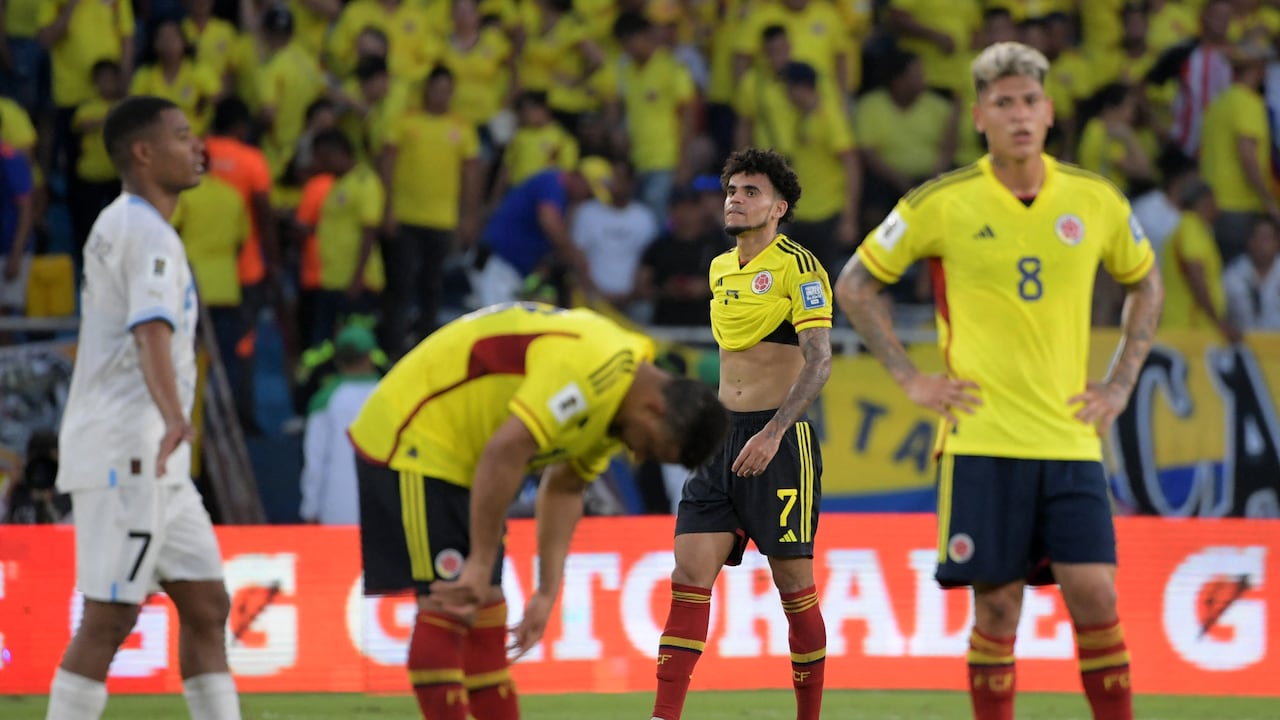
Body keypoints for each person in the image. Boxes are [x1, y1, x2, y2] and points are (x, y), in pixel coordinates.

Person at [835, 42, 1164, 720]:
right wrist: (909, 378)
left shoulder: (1095, 200)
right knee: (998, 605)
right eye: (1004, 103)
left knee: (1096, 595)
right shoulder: (942, 202)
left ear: (1049, 113)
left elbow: (1147, 281)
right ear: (981, 116)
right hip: (981, 439)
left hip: (1070, 440)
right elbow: (856, 285)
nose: (1019, 115)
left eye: (1030, 102)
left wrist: (1120, 385)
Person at [346, 301, 729, 720]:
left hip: (462, 456)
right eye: (651, 446)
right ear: (655, 407)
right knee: (452, 603)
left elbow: (565, 487)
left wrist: (547, 592)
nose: (637, 455)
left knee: (487, 614)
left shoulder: (618, 397)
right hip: (415, 435)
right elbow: (505, 450)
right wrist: (479, 560)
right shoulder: (594, 369)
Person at [46, 96, 241, 720]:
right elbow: (151, 329)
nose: (198, 148)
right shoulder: (144, 232)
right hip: (128, 451)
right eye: (183, 137)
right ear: (144, 152)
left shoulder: (129, 225)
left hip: (155, 459)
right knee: (111, 616)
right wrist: (177, 415)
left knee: (208, 604)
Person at [651, 147, 833, 720]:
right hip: (720, 438)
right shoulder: (720, 267)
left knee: (794, 591)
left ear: (779, 208)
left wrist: (776, 431)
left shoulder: (798, 266)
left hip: (779, 441)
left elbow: (820, 360)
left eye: (750, 191)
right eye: (731, 190)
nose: (735, 199)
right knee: (687, 575)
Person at [299, 324, 379, 525]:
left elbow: (314, 460)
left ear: (338, 359)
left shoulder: (325, 400)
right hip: (382, 510)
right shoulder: (391, 396)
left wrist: (310, 507)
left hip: (335, 508)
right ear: (370, 356)